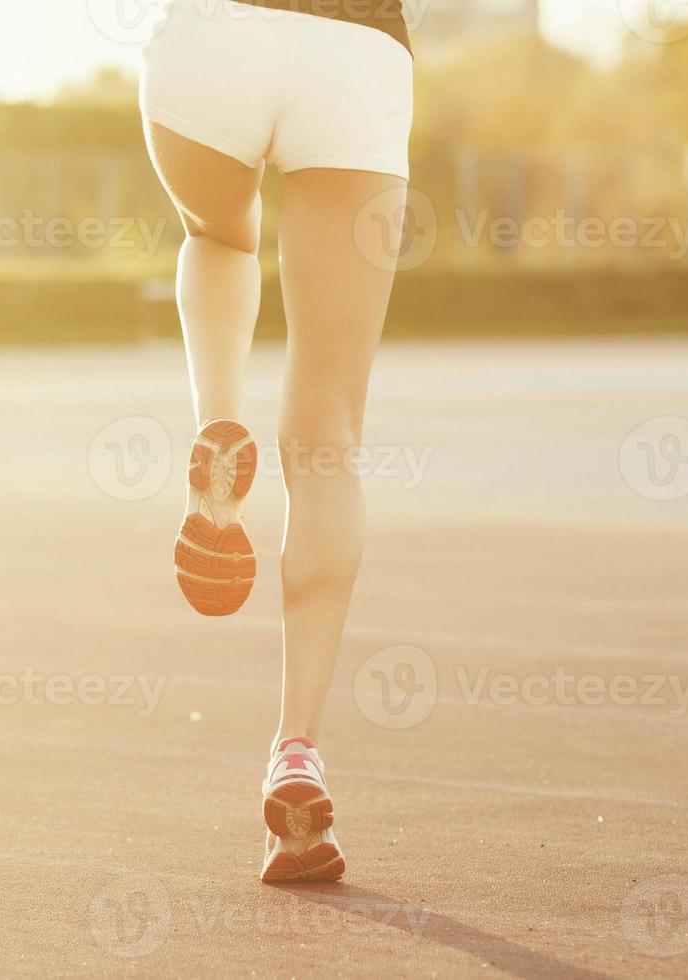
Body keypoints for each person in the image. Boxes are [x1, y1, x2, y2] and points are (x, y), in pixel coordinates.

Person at [141, 0, 414, 882]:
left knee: (217, 235)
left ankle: (218, 420)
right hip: (356, 53)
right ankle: (295, 752)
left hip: (213, 42)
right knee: (325, 437)